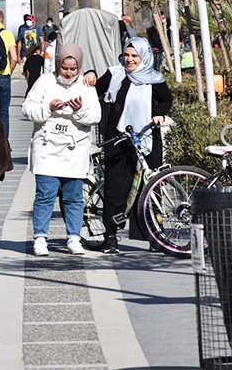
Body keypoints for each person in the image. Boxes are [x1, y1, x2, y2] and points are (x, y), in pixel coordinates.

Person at [84, 37, 173, 254]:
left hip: (148, 137)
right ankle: (111, 236)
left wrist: (159, 114)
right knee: (116, 187)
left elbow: (165, 100)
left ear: (143, 56)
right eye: (127, 55)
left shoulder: (155, 78)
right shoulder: (115, 73)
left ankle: (153, 235)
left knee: (150, 187)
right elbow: (95, 86)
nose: (130, 59)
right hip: (119, 139)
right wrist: (90, 72)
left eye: (134, 55)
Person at [22, 45, 101, 256]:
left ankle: (74, 238)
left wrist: (79, 111)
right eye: (65, 68)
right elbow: (27, 107)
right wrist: (49, 108)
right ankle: (40, 238)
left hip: (74, 150)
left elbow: (96, 116)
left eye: (73, 69)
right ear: (58, 64)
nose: (68, 73)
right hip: (47, 147)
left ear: (79, 67)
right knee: (44, 195)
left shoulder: (86, 84)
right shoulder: (45, 81)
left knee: (74, 197)